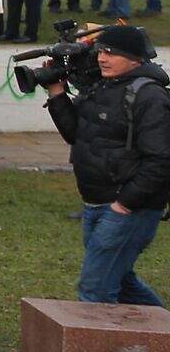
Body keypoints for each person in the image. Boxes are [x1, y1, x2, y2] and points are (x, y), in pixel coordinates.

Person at [41, 25, 170, 305]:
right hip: (96, 204)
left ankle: (97, 349)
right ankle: (162, 339)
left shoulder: (149, 96)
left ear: (135, 58)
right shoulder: (103, 86)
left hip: (127, 209)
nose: (102, 58)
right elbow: (76, 135)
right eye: (101, 51)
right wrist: (56, 92)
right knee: (122, 283)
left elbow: (160, 160)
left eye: (112, 53)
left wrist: (125, 204)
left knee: (96, 289)